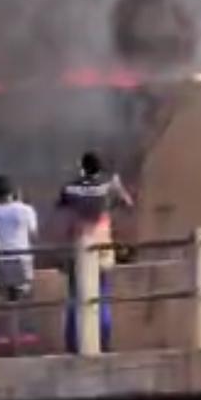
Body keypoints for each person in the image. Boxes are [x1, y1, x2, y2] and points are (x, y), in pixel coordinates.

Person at [57, 151, 133, 353]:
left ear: (82, 167)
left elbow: (62, 212)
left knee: (75, 297)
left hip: (78, 246)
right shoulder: (109, 185)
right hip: (102, 246)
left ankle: (73, 344)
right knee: (103, 295)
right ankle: (103, 341)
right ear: (100, 168)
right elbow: (128, 204)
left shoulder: (70, 188)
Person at [0, 174, 39, 352]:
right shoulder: (25, 210)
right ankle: (23, 343)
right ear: (13, 191)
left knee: (1, 302)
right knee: (22, 300)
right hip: (21, 261)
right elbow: (34, 234)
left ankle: (3, 342)